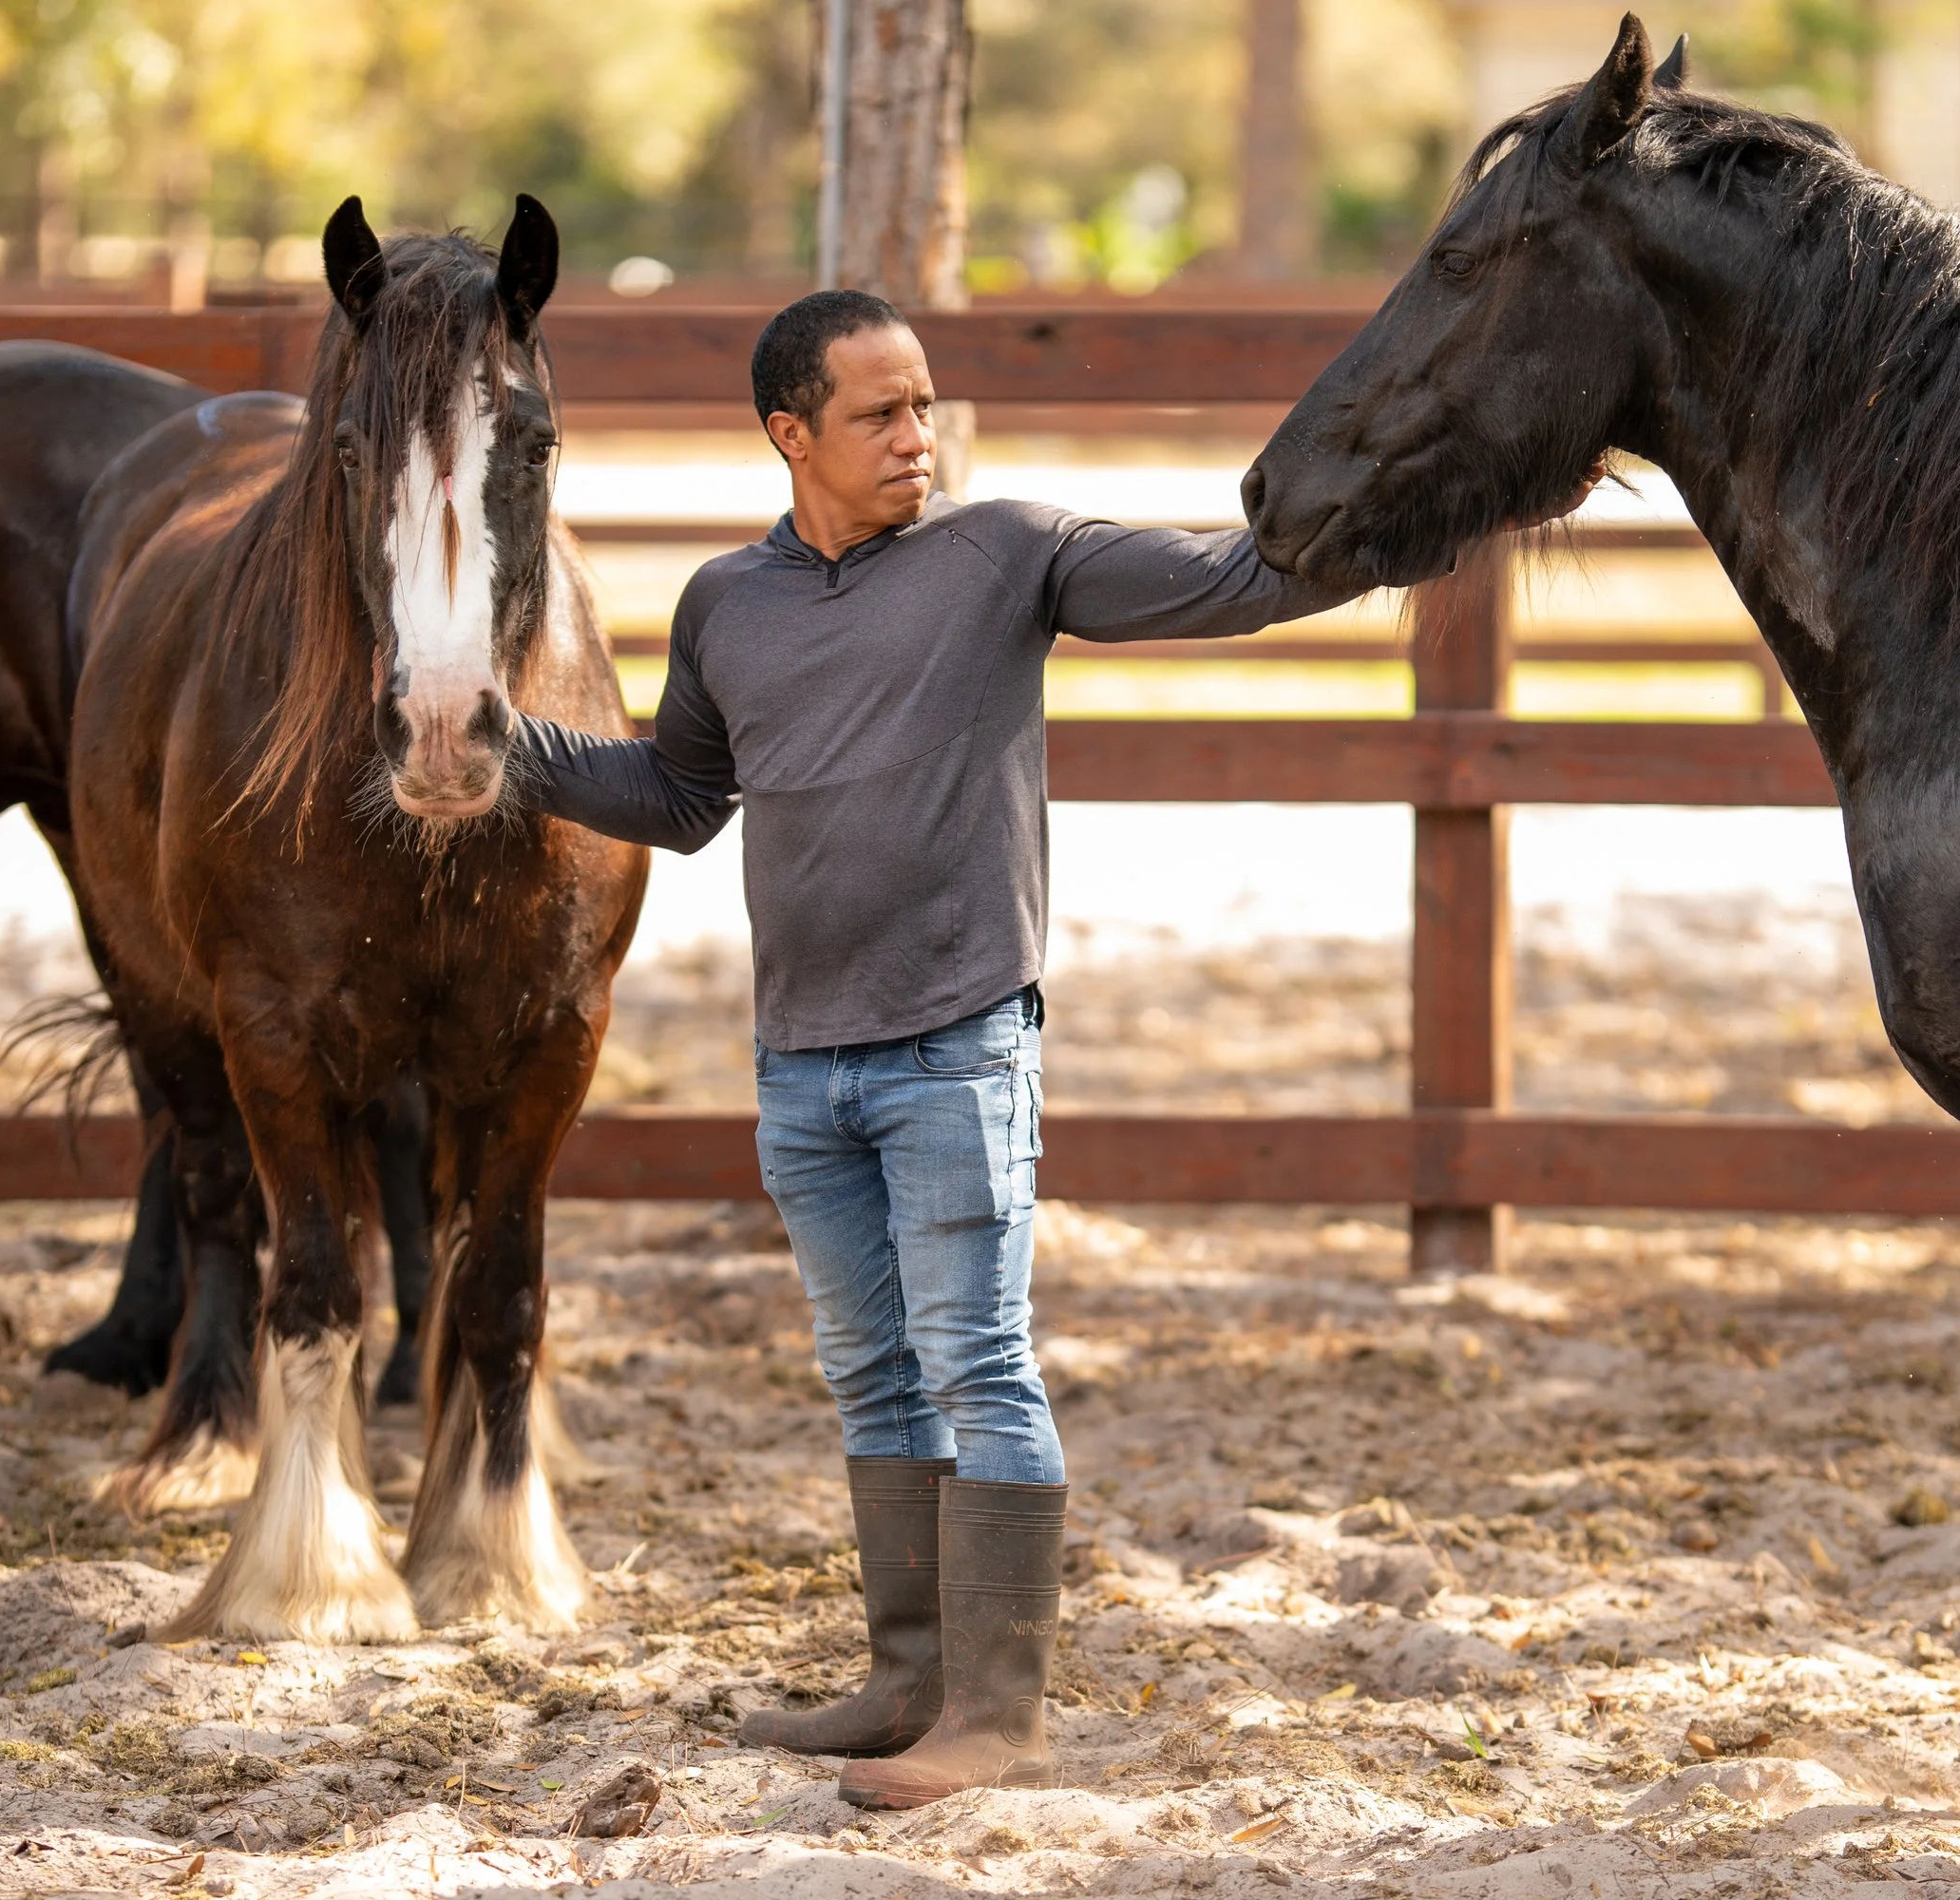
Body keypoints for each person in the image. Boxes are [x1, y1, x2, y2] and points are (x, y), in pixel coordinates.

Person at [514, 290, 1363, 1806]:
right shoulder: (728, 605)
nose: (919, 437)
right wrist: (505, 753)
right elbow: (683, 799)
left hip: (960, 1047)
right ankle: (909, 1682)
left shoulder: (1006, 554)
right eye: (879, 414)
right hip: (801, 1064)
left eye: (926, 406)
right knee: (872, 1379)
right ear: (791, 434)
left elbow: (1239, 582)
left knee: (978, 1361)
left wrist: (1432, 511)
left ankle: (1002, 1718)